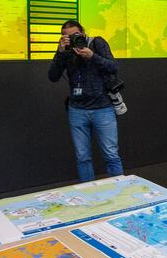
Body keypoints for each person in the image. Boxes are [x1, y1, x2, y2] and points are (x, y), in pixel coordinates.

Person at [48, 20, 123, 182]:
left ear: (82, 33)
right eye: (66, 37)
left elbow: (113, 67)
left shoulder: (97, 43)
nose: (71, 39)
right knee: (82, 157)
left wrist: (92, 56)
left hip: (103, 108)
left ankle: (120, 191)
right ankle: (88, 196)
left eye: (75, 35)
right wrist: (61, 52)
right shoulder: (64, 51)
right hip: (77, 110)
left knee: (111, 154)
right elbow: (53, 76)